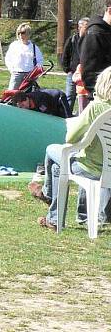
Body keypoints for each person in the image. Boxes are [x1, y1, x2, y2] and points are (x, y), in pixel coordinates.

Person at [34, 66, 111, 231]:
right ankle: (62, 218)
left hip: (90, 167)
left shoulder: (97, 108)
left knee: (52, 150)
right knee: (57, 167)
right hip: (108, 168)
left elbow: (70, 139)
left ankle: (49, 199)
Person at [80, 0, 111, 99]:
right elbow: (89, 73)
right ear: (110, 10)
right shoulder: (94, 33)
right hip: (103, 98)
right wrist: (100, 95)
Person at [4, 23, 44, 90]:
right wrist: (12, 70)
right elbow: (8, 59)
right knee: (12, 95)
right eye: (19, 33)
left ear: (28, 34)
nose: (20, 35)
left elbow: (40, 61)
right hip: (16, 74)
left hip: (30, 76)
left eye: (22, 33)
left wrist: (34, 73)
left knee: (29, 95)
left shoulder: (34, 47)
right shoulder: (14, 45)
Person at [62, 17, 89, 113]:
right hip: (72, 73)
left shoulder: (91, 40)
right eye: (86, 26)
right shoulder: (72, 39)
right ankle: (67, 115)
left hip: (85, 75)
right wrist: (68, 70)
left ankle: (81, 115)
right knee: (70, 96)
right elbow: (65, 56)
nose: (88, 29)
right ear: (79, 27)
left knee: (84, 97)